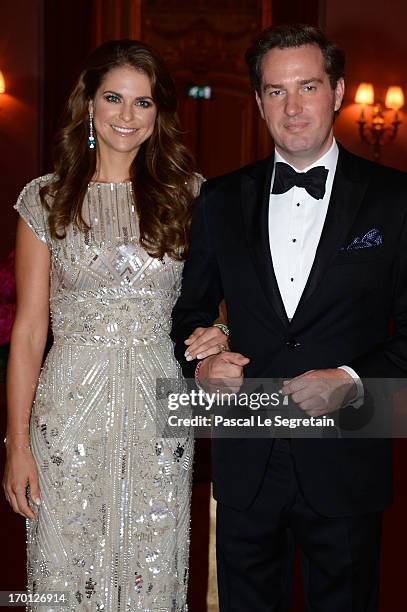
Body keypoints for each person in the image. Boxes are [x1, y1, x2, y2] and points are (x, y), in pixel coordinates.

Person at [172, 24, 407, 612]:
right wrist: (200, 365)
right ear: (257, 102)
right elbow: (189, 311)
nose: (293, 106)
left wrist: (352, 382)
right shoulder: (220, 200)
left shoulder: (396, 200)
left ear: (339, 91)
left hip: (348, 453)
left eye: (307, 87)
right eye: (275, 91)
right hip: (245, 454)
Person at [2, 39, 228, 611]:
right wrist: (18, 445)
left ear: (159, 114)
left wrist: (220, 331)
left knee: (152, 569)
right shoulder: (46, 200)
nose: (127, 116)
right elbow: (28, 332)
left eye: (143, 103)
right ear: (90, 105)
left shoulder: (192, 198)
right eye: (114, 98)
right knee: (64, 570)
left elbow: (213, 307)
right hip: (69, 407)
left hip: (158, 407)